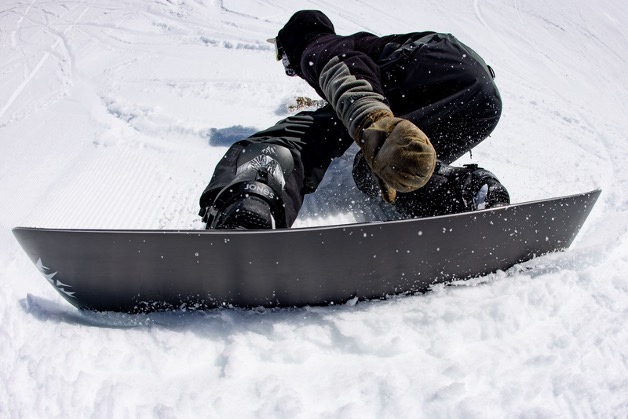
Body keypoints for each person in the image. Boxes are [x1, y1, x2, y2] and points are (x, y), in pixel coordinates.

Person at [199, 10, 509, 230]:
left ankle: (252, 203)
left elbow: (345, 73)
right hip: (480, 100)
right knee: (387, 166)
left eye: (283, 58)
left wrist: (374, 122)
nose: (288, 68)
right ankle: (470, 193)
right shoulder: (360, 43)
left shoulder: (316, 47)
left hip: (429, 70)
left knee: (292, 137)